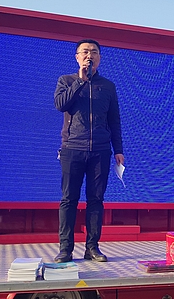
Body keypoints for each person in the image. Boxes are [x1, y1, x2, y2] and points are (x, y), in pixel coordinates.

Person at [53, 39, 124, 263]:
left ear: (99, 58)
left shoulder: (108, 86)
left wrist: (118, 149)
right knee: (69, 199)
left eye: (94, 52)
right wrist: (80, 81)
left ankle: (92, 247)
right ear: (77, 57)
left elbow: (114, 120)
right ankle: (65, 250)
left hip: (101, 150)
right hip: (72, 148)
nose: (89, 55)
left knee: (96, 200)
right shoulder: (66, 81)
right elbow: (60, 105)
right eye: (84, 51)